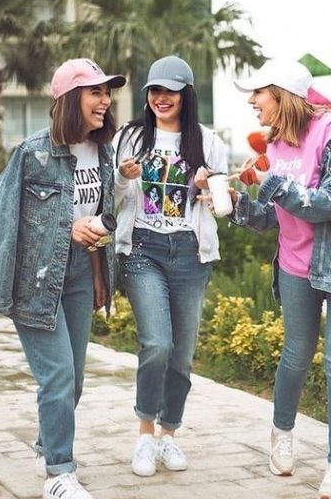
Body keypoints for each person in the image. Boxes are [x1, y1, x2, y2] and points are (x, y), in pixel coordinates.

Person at [229, 59, 331, 499]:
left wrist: (271, 181)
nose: (252, 101)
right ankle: (281, 433)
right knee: (296, 356)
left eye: (258, 92)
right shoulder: (274, 146)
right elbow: (271, 217)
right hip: (296, 264)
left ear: (282, 93)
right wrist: (233, 203)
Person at [0, 58, 125, 499]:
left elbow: (106, 213)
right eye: (95, 92)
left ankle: (48, 445)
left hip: (83, 272)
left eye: (107, 93)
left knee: (75, 378)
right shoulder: (33, 153)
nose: (105, 101)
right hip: (37, 278)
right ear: (70, 99)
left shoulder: (104, 152)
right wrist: (66, 229)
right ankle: (59, 474)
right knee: (59, 376)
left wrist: (104, 222)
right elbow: (7, 221)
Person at [113, 55, 228, 478]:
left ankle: (168, 436)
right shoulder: (130, 138)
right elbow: (112, 197)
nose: (161, 99)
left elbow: (222, 205)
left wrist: (206, 190)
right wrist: (125, 177)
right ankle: (144, 436)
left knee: (182, 355)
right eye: (155, 91)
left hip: (190, 252)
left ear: (186, 95)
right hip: (143, 248)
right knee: (157, 344)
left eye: (170, 91)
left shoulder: (208, 142)